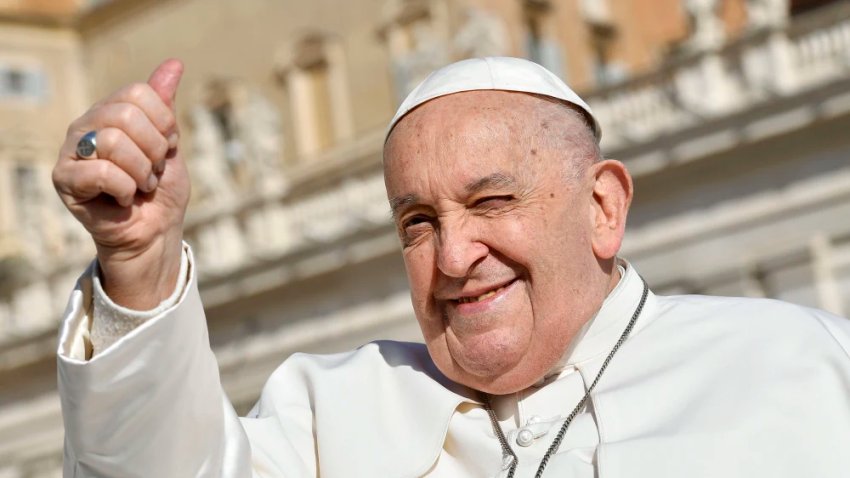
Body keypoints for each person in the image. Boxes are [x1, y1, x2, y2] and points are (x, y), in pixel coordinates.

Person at [53, 57, 850, 478]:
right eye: (419, 222)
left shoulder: (802, 366)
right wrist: (139, 261)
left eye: (493, 201)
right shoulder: (328, 418)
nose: (455, 257)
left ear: (603, 207)